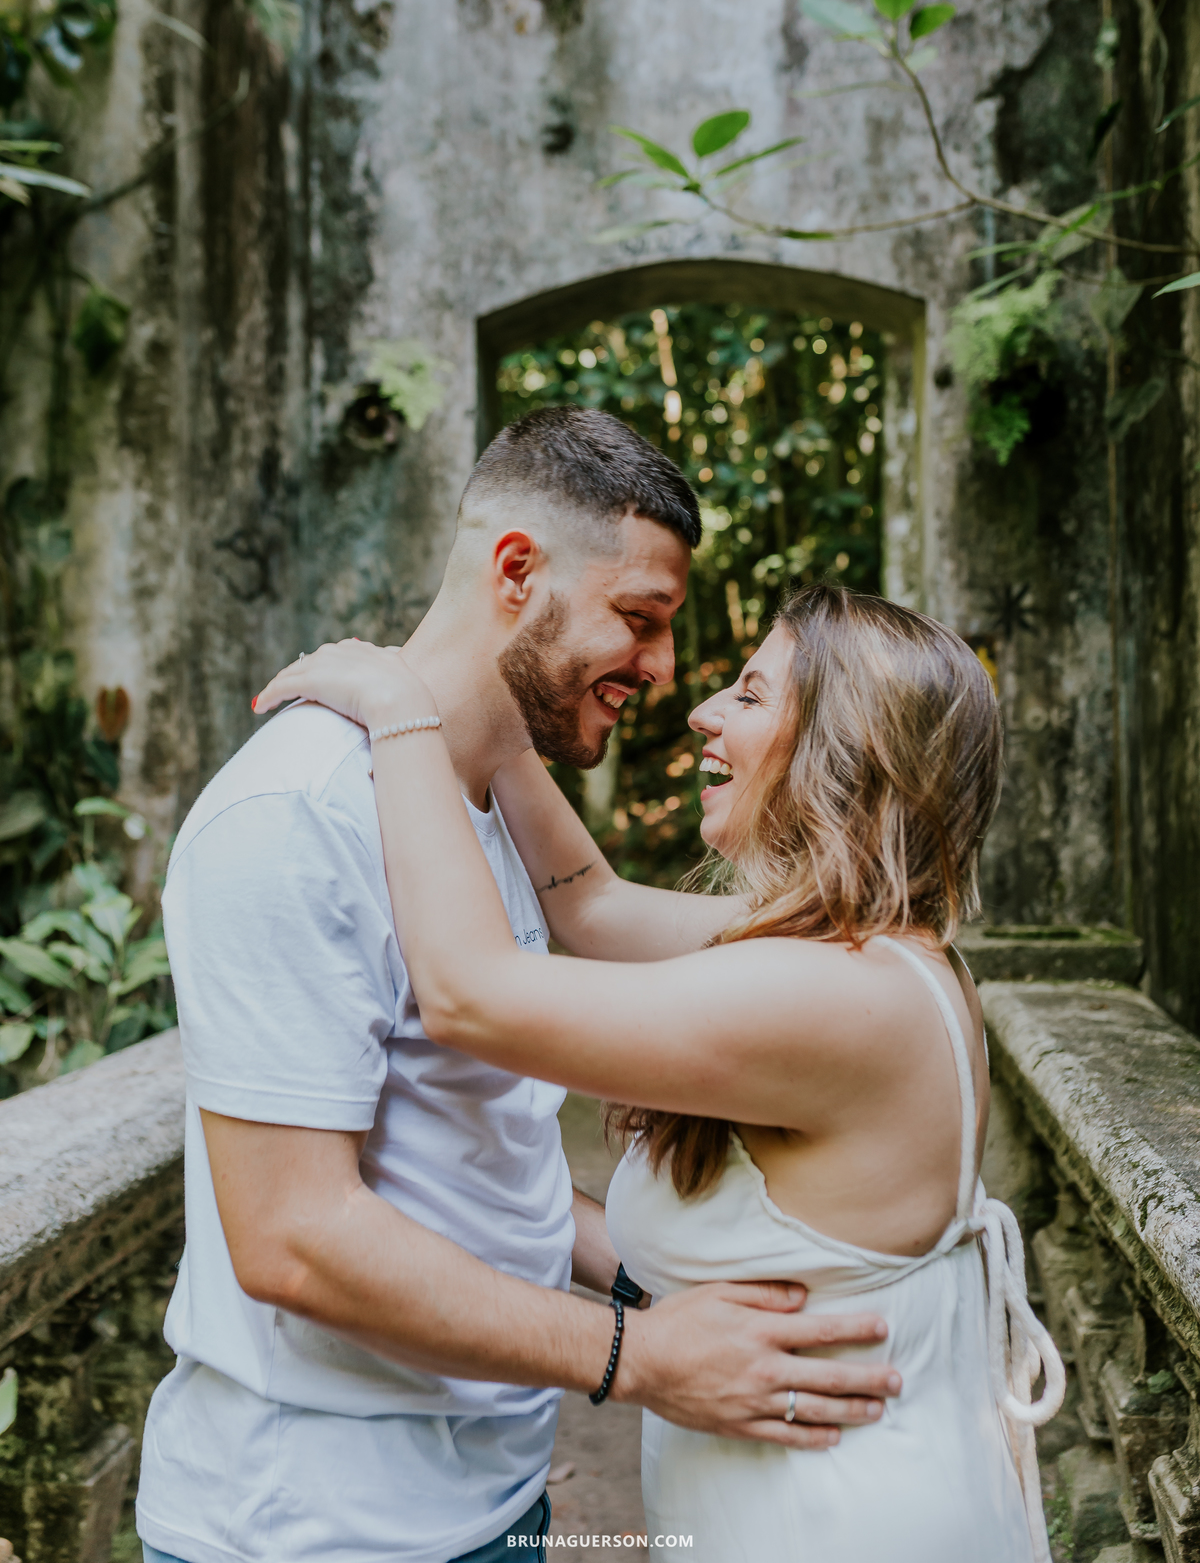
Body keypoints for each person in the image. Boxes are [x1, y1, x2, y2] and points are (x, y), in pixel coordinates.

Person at [136, 410, 901, 1563]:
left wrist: (675, 1277)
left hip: (492, 1498)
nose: (661, 669)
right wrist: (636, 1356)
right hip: (316, 1526)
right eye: (638, 620)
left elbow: (480, 1146)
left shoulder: (485, 792)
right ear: (515, 571)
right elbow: (293, 1234)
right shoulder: (292, 817)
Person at [254, 580, 1067, 1563]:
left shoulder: (841, 998)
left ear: (848, 753)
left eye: (753, 696)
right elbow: (589, 909)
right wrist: (486, 689)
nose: (704, 710)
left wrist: (404, 714)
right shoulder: (863, 951)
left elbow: (470, 992)